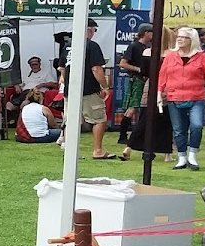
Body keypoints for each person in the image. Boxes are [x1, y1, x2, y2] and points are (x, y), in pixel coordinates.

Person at [159, 26, 205, 171]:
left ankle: (193, 155)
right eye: (178, 36)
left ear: (192, 40)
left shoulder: (201, 56)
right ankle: (182, 157)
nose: (179, 39)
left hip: (196, 97)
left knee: (197, 125)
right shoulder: (170, 56)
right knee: (178, 130)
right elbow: (162, 75)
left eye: (183, 37)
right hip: (174, 97)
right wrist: (159, 92)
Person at [57, 19, 113, 159]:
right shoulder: (92, 46)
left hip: (70, 91)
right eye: (94, 30)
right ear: (89, 29)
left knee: (72, 121)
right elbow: (96, 69)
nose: (94, 33)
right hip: (88, 90)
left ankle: (71, 152)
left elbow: (62, 70)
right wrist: (105, 86)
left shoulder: (68, 46)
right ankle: (98, 150)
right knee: (99, 119)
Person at [117, 24, 153, 145]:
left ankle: (124, 135)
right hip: (136, 79)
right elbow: (122, 63)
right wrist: (138, 69)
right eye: (151, 32)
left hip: (142, 80)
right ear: (145, 33)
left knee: (133, 108)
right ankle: (122, 136)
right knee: (133, 108)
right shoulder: (134, 46)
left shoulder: (147, 47)